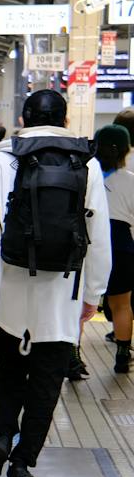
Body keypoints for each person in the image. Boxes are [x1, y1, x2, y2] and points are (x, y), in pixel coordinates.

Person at [0, 89, 111, 477]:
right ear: (65, 119)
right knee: (47, 381)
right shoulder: (87, 164)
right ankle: (22, 465)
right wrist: (94, 294)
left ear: (23, 118)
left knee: (9, 369)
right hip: (62, 292)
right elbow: (98, 235)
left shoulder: (3, 160)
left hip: (9, 289)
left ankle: (4, 433)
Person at [102, 124, 134, 374]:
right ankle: (123, 356)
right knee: (121, 304)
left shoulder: (84, 176)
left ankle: (73, 357)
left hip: (90, 243)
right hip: (121, 243)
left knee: (81, 305)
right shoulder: (130, 181)